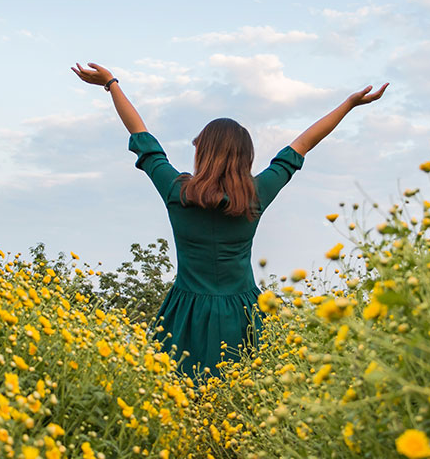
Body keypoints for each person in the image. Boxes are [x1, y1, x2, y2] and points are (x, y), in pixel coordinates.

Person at [71, 61, 388, 379]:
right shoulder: (256, 193)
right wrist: (348, 105)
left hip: (185, 313)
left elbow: (142, 137)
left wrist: (112, 83)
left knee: (178, 395)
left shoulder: (176, 191)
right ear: (245, 157)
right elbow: (302, 145)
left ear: (202, 154)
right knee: (246, 397)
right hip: (244, 313)